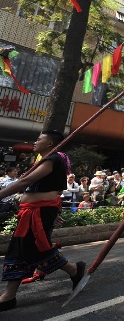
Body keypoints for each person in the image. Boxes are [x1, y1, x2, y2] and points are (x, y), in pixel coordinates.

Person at [0, 130, 85, 312]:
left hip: (39, 211)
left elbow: (26, 182)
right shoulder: (47, 160)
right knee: (20, 247)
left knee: (33, 247)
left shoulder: (53, 159)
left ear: (50, 143)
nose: (36, 141)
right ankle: (9, 295)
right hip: (33, 211)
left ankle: (74, 270)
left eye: (40, 139)